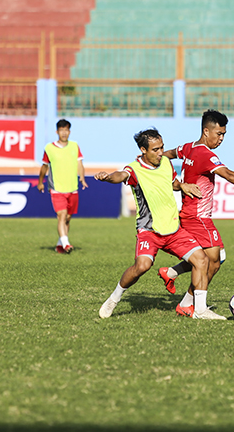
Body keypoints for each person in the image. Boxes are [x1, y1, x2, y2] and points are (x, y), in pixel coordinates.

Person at [95, 127, 226, 320]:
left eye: (161, 147)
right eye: (155, 149)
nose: (160, 153)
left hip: (173, 230)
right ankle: (114, 299)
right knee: (142, 266)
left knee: (202, 260)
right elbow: (120, 175)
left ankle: (199, 310)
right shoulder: (134, 169)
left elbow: (172, 182)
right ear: (143, 150)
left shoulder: (165, 163)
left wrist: (182, 186)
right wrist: (108, 178)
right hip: (149, 230)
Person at [158, 109, 234, 317]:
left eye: (224, 135)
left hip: (190, 215)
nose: (221, 139)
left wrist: (177, 180)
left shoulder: (188, 147)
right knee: (214, 259)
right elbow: (228, 174)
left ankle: (174, 277)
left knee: (207, 258)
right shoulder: (205, 154)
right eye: (218, 134)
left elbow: (164, 157)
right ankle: (192, 306)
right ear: (206, 131)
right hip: (198, 217)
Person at [37, 119, 88, 254]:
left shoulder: (74, 146)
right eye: (61, 130)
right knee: (62, 215)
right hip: (56, 188)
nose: (64, 133)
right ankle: (66, 244)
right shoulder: (49, 148)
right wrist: (40, 182)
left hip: (72, 187)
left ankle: (60, 244)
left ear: (69, 132)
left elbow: (79, 164)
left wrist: (82, 178)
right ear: (57, 131)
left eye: (66, 130)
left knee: (68, 218)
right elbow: (44, 167)